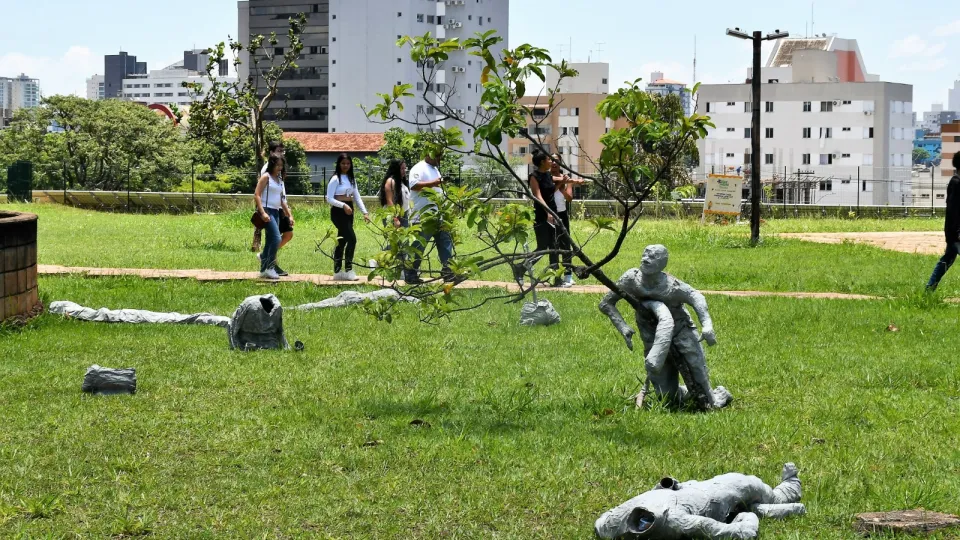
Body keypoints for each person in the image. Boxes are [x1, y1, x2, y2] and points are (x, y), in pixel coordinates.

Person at [599, 244, 732, 411]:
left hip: (681, 331)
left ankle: (715, 397)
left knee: (696, 367)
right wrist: (623, 327)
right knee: (667, 398)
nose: (645, 259)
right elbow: (606, 303)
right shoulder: (631, 279)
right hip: (652, 337)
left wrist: (707, 325)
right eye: (645, 254)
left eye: (652, 256)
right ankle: (686, 394)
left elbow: (696, 296)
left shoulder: (671, 286)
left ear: (662, 264)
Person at [595, 463, 804, 539]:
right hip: (723, 492)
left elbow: (601, 523)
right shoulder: (673, 520)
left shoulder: (609, 523)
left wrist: (671, 486)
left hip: (693, 488)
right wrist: (747, 518)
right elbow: (740, 534)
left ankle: (785, 493)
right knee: (759, 490)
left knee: (760, 494)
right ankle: (789, 488)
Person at [405, 150, 454, 284]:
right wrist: (434, 183)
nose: (439, 158)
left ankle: (448, 272)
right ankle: (411, 273)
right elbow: (414, 185)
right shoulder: (419, 168)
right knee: (419, 245)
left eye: (440, 156)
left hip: (438, 214)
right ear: (428, 154)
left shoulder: (435, 169)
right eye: (437, 156)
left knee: (445, 241)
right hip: (422, 215)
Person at [326, 153, 370, 281]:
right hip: (338, 212)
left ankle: (338, 271)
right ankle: (349, 269)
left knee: (342, 240)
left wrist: (365, 212)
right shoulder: (335, 179)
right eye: (343, 163)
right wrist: (343, 205)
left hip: (350, 210)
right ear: (339, 164)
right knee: (352, 239)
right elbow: (328, 198)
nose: (345, 166)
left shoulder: (351, 179)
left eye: (348, 163)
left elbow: (357, 197)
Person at [519, 150, 559, 285]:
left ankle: (555, 277)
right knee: (542, 247)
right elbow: (538, 195)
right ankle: (520, 268)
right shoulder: (534, 176)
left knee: (555, 245)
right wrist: (547, 212)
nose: (552, 162)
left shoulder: (548, 175)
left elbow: (550, 190)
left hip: (553, 213)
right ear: (542, 162)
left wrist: (566, 182)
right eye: (549, 159)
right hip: (542, 215)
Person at [254, 155, 294, 280]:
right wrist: (262, 212)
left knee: (270, 241)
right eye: (277, 165)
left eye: (281, 165)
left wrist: (289, 215)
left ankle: (263, 269)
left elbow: (282, 200)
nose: (279, 168)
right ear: (271, 164)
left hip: (276, 211)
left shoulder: (279, 180)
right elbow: (257, 194)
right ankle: (270, 268)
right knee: (276, 239)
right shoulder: (266, 177)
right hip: (266, 211)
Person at [926, 152, 960, 291]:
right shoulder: (956, 183)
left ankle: (929, 288)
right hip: (956, 233)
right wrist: (958, 231)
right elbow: (954, 211)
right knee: (947, 259)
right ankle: (929, 288)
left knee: (947, 259)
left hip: (954, 232)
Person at [551, 153, 584, 287]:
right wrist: (561, 183)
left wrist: (565, 185)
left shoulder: (566, 179)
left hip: (562, 214)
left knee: (566, 244)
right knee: (553, 245)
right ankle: (554, 275)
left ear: (560, 163)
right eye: (552, 160)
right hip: (550, 214)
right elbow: (549, 192)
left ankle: (568, 275)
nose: (554, 163)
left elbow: (569, 198)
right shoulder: (546, 177)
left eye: (557, 161)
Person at [252, 141, 286, 252]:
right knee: (275, 238)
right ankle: (267, 262)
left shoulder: (278, 172)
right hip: (268, 209)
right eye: (279, 151)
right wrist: (262, 212)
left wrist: (286, 209)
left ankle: (268, 265)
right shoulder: (267, 172)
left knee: (273, 239)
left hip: (277, 208)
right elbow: (259, 193)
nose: (282, 153)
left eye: (282, 151)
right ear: (271, 153)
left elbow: (280, 193)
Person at [378, 159, 411, 230]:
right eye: (402, 168)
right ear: (396, 169)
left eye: (405, 168)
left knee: (405, 240)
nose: (404, 171)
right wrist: (395, 219)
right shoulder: (390, 181)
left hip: (403, 215)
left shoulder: (402, 182)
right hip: (393, 215)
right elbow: (389, 201)